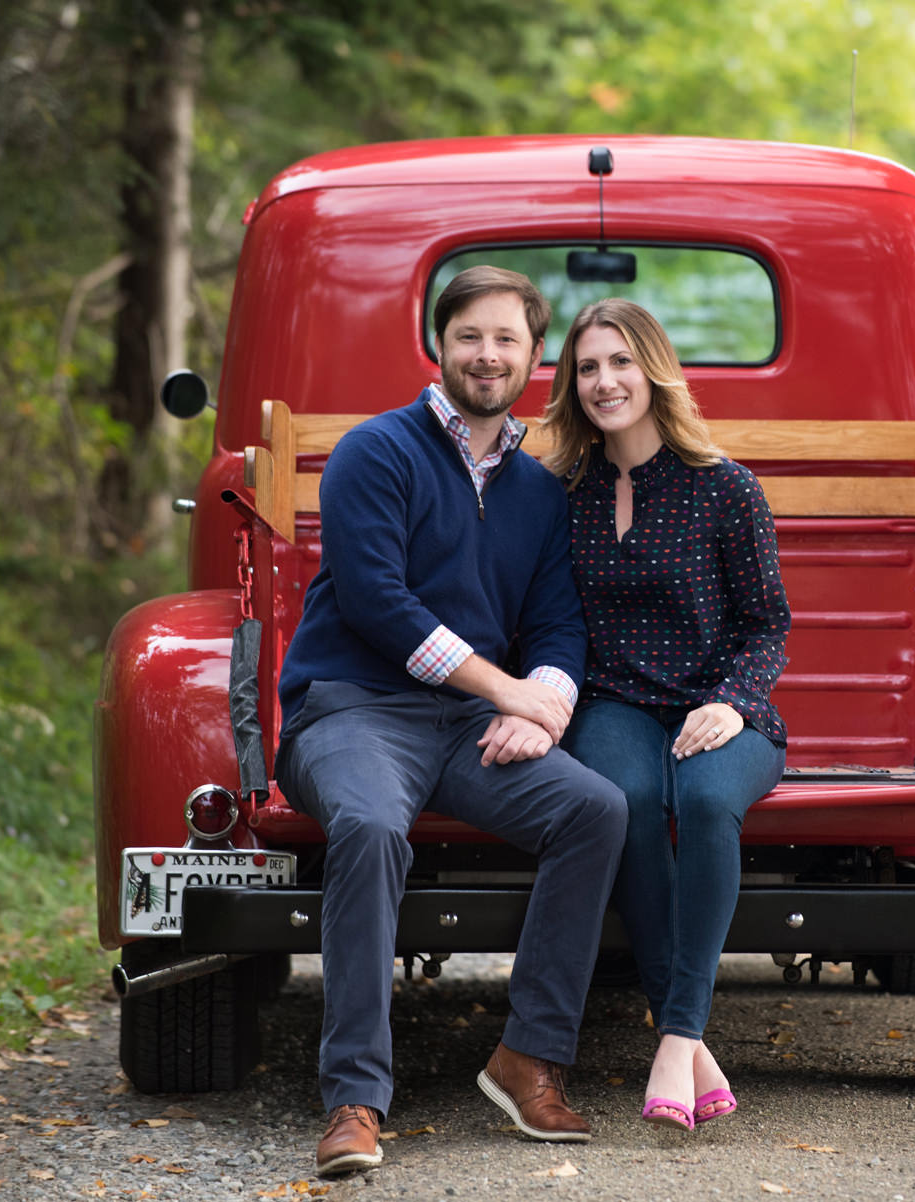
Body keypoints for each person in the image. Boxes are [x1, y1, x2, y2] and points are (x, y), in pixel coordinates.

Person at [274, 266, 628, 1177]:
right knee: (367, 825)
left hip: (468, 724)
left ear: (534, 358)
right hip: (352, 708)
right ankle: (354, 1100)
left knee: (594, 811)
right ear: (439, 346)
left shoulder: (540, 492)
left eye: (507, 340)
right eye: (471, 336)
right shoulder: (374, 453)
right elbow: (375, 603)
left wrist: (543, 707)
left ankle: (528, 1059)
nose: (488, 355)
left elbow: (558, 622)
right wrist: (505, 690)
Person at [542, 298, 791, 1132]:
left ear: (654, 369)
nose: (605, 381)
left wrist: (734, 701)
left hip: (720, 705)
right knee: (629, 803)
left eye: (620, 362)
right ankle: (689, 1046)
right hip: (615, 703)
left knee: (707, 800)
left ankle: (676, 1035)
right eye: (587, 367)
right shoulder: (563, 497)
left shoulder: (725, 489)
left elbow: (767, 622)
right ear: (572, 386)